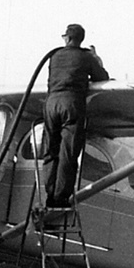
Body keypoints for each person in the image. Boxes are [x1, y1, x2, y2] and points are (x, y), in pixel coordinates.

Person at [42, 23, 109, 208]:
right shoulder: (86, 57)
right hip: (71, 103)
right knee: (68, 154)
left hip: (51, 103)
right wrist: (96, 59)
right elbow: (101, 77)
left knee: (50, 152)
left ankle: (49, 196)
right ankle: (60, 199)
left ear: (67, 38)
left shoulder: (54, 56)